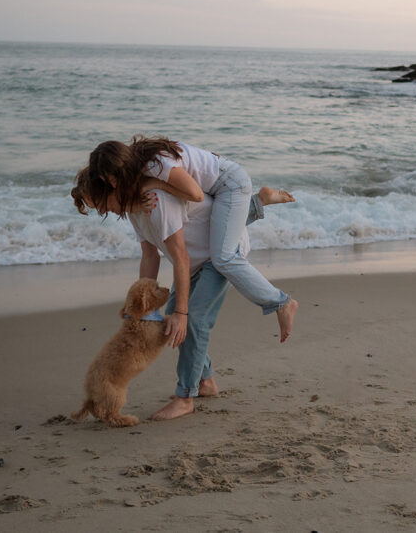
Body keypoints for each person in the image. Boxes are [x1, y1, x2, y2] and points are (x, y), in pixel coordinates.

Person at [72, 168, 295, 419]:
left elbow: (180, 257)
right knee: (172, 320)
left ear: (113, 187)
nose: (102, 212)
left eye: (100, 204)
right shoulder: (135, 211)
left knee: (190, 322)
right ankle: (206, 382)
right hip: (195, 256)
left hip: (215, 255)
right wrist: (141, 308)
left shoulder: (156, 203)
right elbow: (150, 255)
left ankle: (185, 397)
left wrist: (181, 311)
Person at [86, 137, 298, 342]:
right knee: (215, 228)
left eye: (112, 178)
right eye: (107, 181)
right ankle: (259, 202)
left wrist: (154, 184)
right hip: (215, 186)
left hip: (229, 183)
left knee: (223, 257)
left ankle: (281, 302)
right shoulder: (137, 169)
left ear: (122, 165)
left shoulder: (155, 167)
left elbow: (195, 195)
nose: (112, 184)